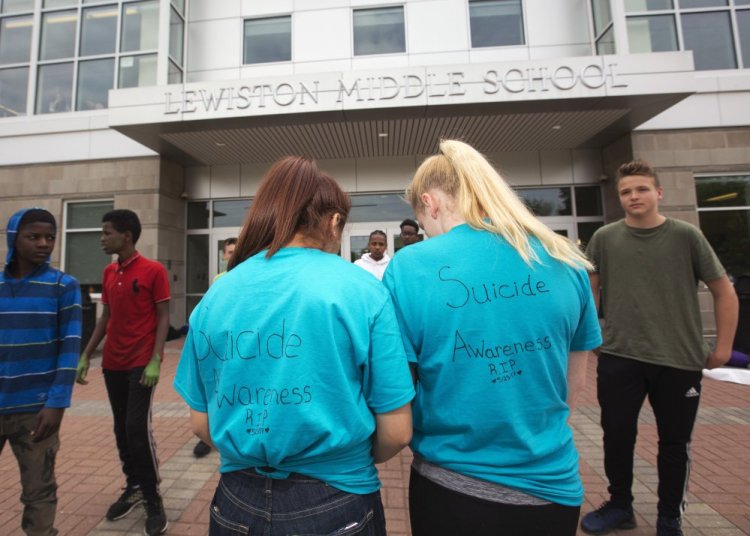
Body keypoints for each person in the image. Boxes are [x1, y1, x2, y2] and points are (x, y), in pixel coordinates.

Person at [174, 156, 414, 535]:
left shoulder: (217, 294)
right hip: (337, 497)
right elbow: (397, 431)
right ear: (334, 222)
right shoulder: (362, 290)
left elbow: (201, 424)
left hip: (236, 501)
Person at [382, 140, 602, 536]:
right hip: (554, 488)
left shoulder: (411, 266)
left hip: (451, 487)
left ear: (430, 204)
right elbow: (574, 386)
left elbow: (402, 389)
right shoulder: (565, 258)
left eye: (424, 220)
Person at [580, 160, 739, 536]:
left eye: (641, 189)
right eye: (626, 192)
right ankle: (620, 505)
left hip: (679, 358)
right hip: (620, 357)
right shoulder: (605, 237)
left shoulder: (686, 236)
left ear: (659, 193)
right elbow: (590, 290)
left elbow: (723, 291)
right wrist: (595, 337)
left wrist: (724, 348)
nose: (633, 196)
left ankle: (670, 516)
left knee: (674, 442)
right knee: (616, 435)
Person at [76, 209, 171, 536]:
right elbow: (106, 317)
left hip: (141, 363)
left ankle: (152, 496)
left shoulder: (153, 270)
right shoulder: (108, 271)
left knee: (136, 428)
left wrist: (156, 358)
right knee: (120, 429)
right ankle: (133, 485)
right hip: (113, 363)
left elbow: (163, 316)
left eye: (107, 232)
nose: (102, 238)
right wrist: (86, 355)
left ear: (126, 235)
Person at [0, 208, 82, 536]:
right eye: (33, 237)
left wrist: (56, 403)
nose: (44, 244)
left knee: (38, 491)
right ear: (13, 238)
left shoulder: (64, 286)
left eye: (50, 237)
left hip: (36, 411)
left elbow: (69, 348)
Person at [192, 237, 239, 459]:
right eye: (228, 252)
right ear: (223, 255)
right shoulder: (219, 280)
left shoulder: (249, 277)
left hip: (240, 344)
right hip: (221, 344)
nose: (231, 255)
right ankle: (205, 438)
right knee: (212, 390)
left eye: (235, 251)